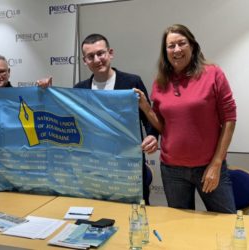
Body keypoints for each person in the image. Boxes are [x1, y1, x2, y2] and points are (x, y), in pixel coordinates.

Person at [135, 24, 236, 213]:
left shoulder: (213, 73)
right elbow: (165, 128)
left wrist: (216, 163)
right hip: (172, 170)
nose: (177, 50)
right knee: (181, 228)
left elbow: (230, 119)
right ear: (165, 52)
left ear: (192, 46)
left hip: (209, 166)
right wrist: (146, 108)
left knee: (227, 224)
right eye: (171, 46)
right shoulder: (160, 81)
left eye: (182, 43)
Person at [74, 33, 158, 205]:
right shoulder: (79, 89)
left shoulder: (131, 82)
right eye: (91, 56)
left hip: (129, 170)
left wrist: (152, 136)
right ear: (85, 61)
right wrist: (44, 92)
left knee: (135, 219)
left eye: (101, 53)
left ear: (110, 53)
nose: (97, 60)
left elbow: (148, 116)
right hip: (93, 171)